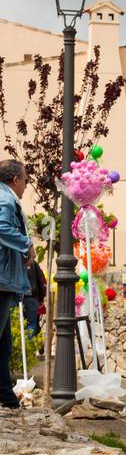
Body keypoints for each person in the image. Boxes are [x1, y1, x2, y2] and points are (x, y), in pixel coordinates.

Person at [0, 161, 31, 409]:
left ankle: (6, 396)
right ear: (15, 180)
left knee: (4, 343)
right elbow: (1, 227)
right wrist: (26, 243)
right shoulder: (6, 199)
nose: (26, 184)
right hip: (1, 280)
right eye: (25, 179)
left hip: (5, 281)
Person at [22, 258, 45, 339]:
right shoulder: (34, 263)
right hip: (31, 296)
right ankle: (28, 346)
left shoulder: (16, 259)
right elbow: (40, 281)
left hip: (16, 296)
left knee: (18, 323)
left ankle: (24, 346)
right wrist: (41, 299)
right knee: (31, 323)